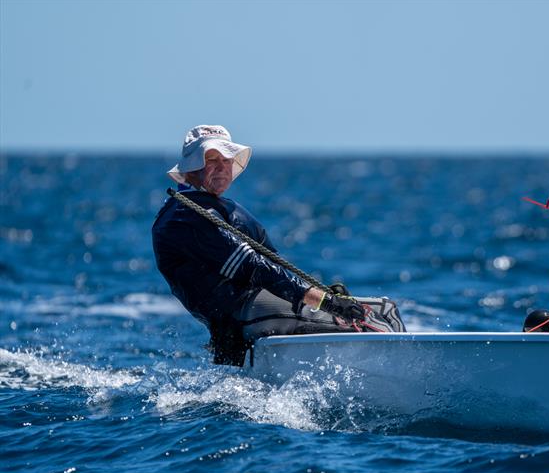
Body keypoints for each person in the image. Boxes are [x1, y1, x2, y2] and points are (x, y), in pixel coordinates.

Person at [152, 125, 400, 366]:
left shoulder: (207, 207)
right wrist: (327, 302)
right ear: (192, 168)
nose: (222, 168)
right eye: (211, 160)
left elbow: (272, 265)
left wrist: (322, 295)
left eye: (227, 160)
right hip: (243, 312)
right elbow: (255, 267)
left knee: (386, 309)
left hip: (256, 308)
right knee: (375, 318)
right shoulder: (188, 216)